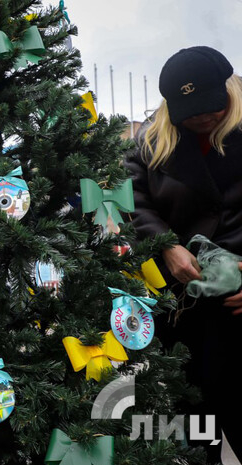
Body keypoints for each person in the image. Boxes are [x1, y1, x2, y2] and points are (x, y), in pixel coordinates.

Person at [125, 46, 242, 461]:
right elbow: (130, 199)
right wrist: (166, 245)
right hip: (183, 307)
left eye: (210, 107)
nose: (203, 119)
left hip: (238, 306)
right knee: (195, 425)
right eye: (190, 112)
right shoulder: (152, 141)